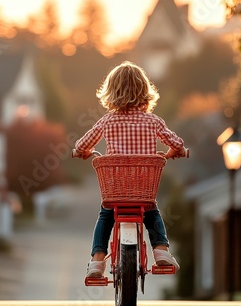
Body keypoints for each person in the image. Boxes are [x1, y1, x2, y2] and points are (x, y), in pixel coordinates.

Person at [74, 61, 188, 278]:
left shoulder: (107, 121)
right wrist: (177, 151)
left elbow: (82, 144)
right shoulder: (153, 121)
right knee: (151, 211)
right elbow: (177, 143)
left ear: (111, 92)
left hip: (115, 189)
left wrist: (82, 151)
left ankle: (97, 261)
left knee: (106, 214)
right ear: (145, 92)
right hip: (143, 189)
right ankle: (161, 250)